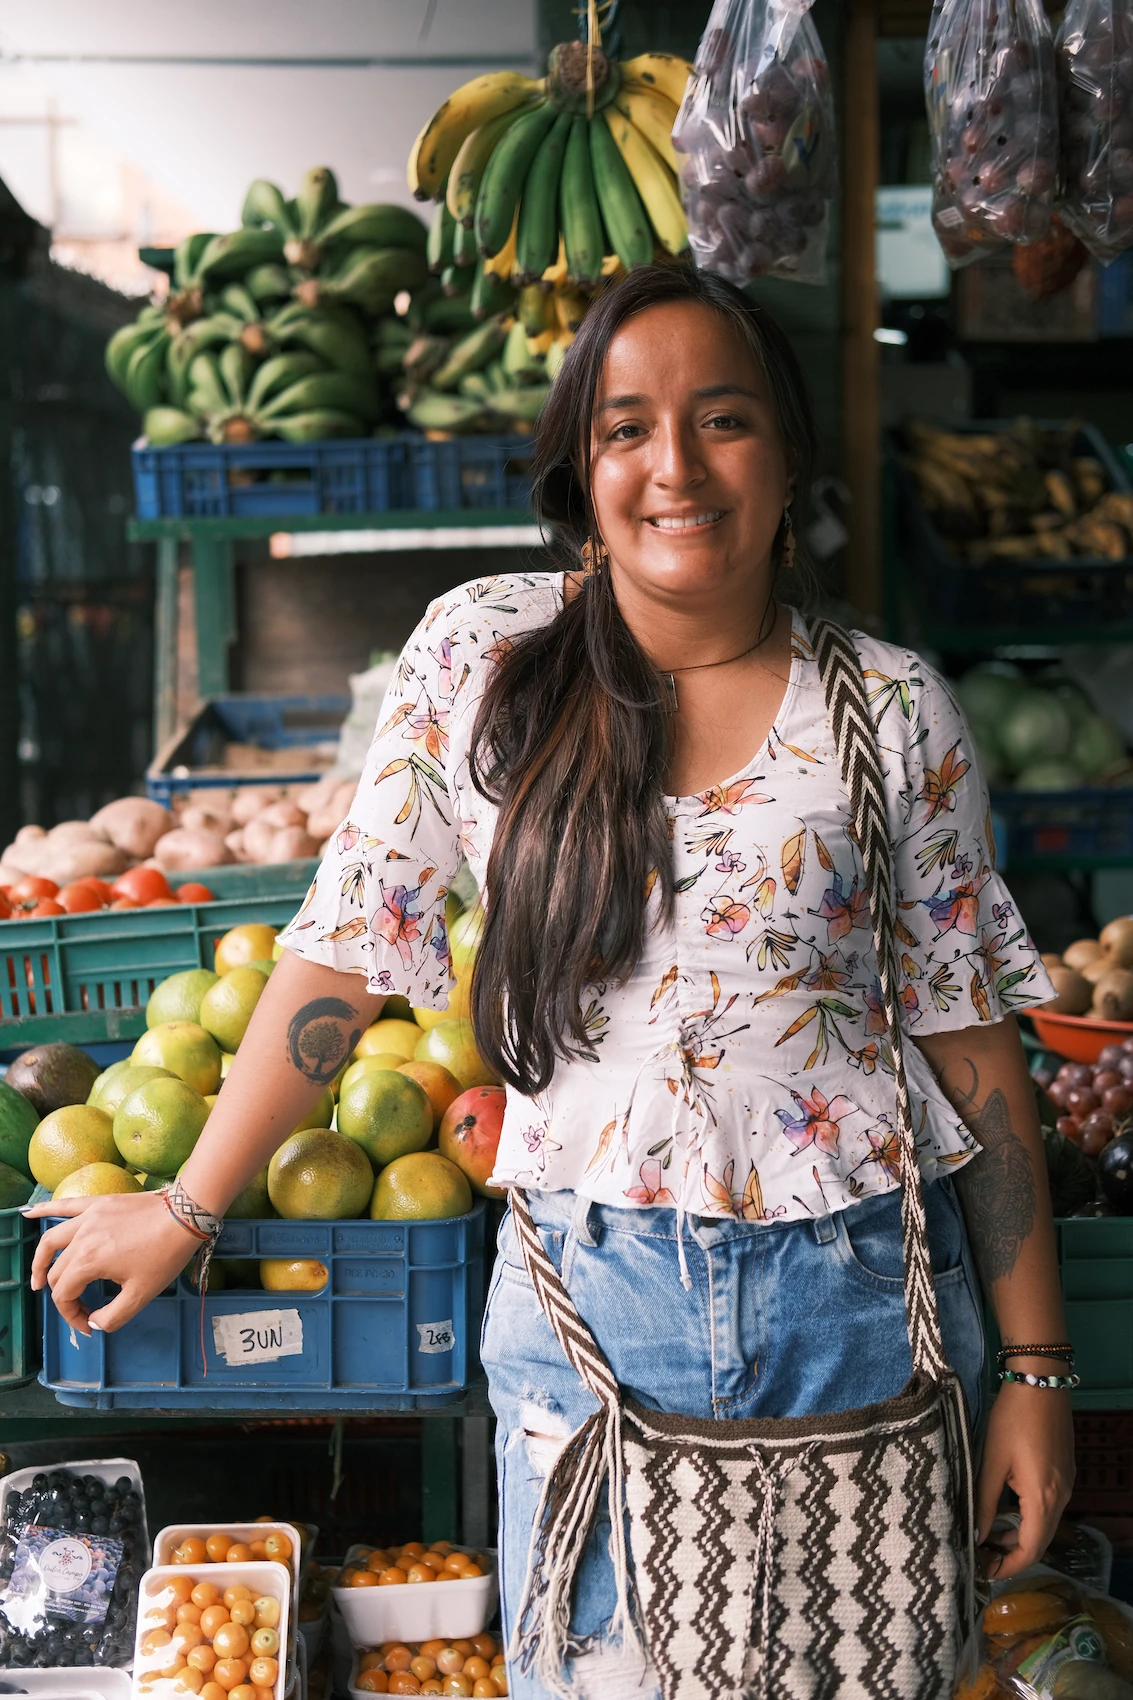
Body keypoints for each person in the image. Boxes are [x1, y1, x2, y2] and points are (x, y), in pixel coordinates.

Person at [29, 264, 1073, 1697]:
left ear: (790, 463)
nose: (675, 467)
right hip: (596, 1314)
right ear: (581, 467)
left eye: (724, 420)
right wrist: (192, 1200)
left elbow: (972, 1047)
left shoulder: (892, 711)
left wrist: (1036, 1372)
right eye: (628, 426)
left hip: (863, 1313)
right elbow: (349, 945)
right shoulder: (485, 661)